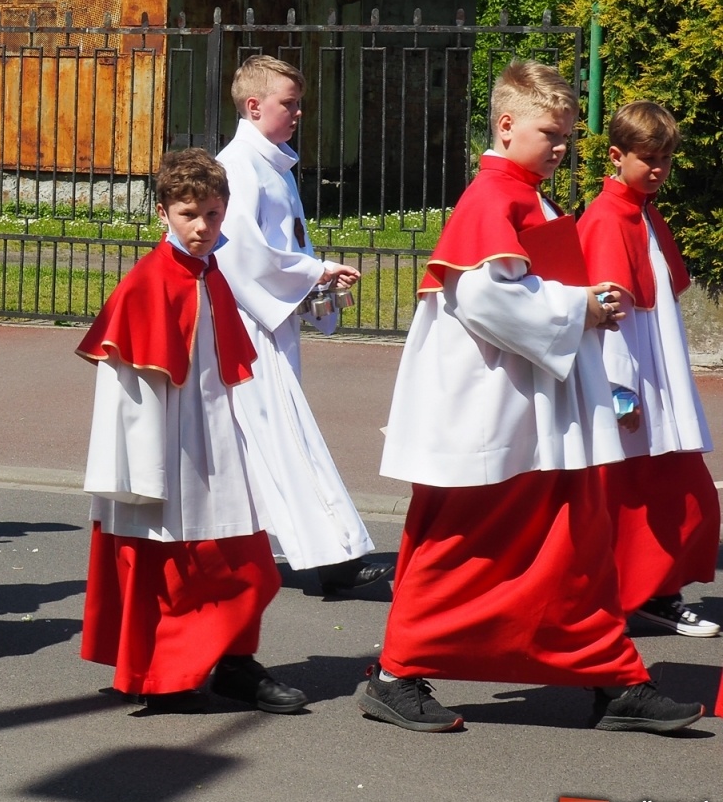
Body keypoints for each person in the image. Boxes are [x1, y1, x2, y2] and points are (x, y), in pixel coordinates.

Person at [362, 61, 703, 734]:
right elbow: (486, 298)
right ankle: (396, 673)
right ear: (507, 123)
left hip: (536, 407)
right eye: (550, 133)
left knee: (575, 546)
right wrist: (581, 306)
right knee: (463, 544)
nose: (560, 148)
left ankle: (614, 679)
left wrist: (579, 306)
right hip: (497, 411)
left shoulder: (525, 195)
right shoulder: (494, 198)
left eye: (568, 137)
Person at [78, 147, 308, 715]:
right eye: (189, 214)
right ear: (163, 214)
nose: (202, 226)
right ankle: (170, 673)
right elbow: (126, 395)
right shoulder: (147, 283)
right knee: (179, 565)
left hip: (219, 439)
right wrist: (141, 472)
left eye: (211, 212)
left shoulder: (213, 275)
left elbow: (230, 368)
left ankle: (231, 662)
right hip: (165, 448)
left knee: (246, 560)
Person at [214, 55, 384, 594]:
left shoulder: (270, 163)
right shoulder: (239, 165)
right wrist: (314, 271)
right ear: (254, 105)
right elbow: (239, 252)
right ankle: (329, 560)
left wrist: (316, 285)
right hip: (248, 327)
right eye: (288, 103)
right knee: (283, 438)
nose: (297, 113)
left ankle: (256, 553)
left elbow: (283, 242)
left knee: (266, 441)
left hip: (271, 319)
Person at [579, 102, 719, 637]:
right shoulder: (608, 218)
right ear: (617, 156)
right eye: (649, 159)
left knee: (683, 497)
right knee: (645, 498)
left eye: (666, 159)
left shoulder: (642, 211)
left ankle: (654, 592)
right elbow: (610, 316)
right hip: (633, 384)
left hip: (657, 378)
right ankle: (642, 594)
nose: (659, 169)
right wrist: (620, 393)